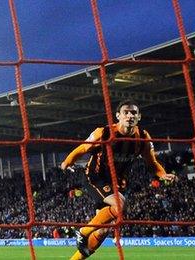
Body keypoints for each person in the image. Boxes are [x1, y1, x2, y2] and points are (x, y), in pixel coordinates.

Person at [60, 100, 177, 260]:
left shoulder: (143, 137)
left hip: (116, 183)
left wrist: (162, 175)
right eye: (126, 112)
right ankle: (83, 231)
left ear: (139, 117)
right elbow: (83, 148)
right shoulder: (105, 133)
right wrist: (68, 161)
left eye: (134, 113)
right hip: (95, 177)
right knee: (120, 205)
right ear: (118, 116)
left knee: (102, 231)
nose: (130, 115)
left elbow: (152, 163)